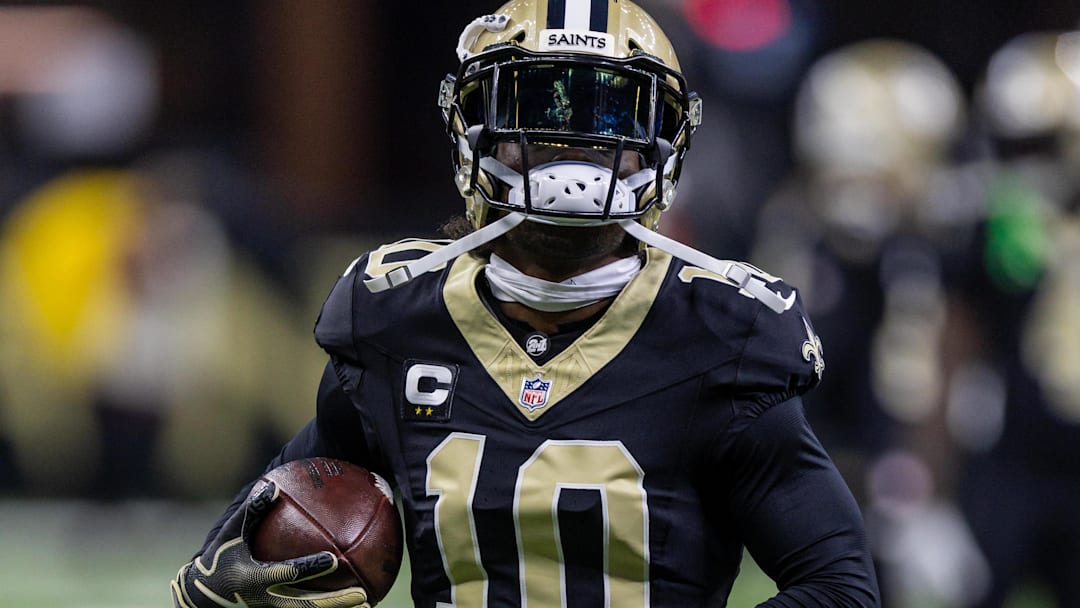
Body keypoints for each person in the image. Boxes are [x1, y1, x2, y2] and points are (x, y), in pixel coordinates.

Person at [170, 1, 880, 606]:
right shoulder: (395, 318)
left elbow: (840, 587)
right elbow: (257, 535)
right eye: (539, 108)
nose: (572, 142)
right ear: (475, 128)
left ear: (661, 140)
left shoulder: (722, 333)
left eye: (608, 113)